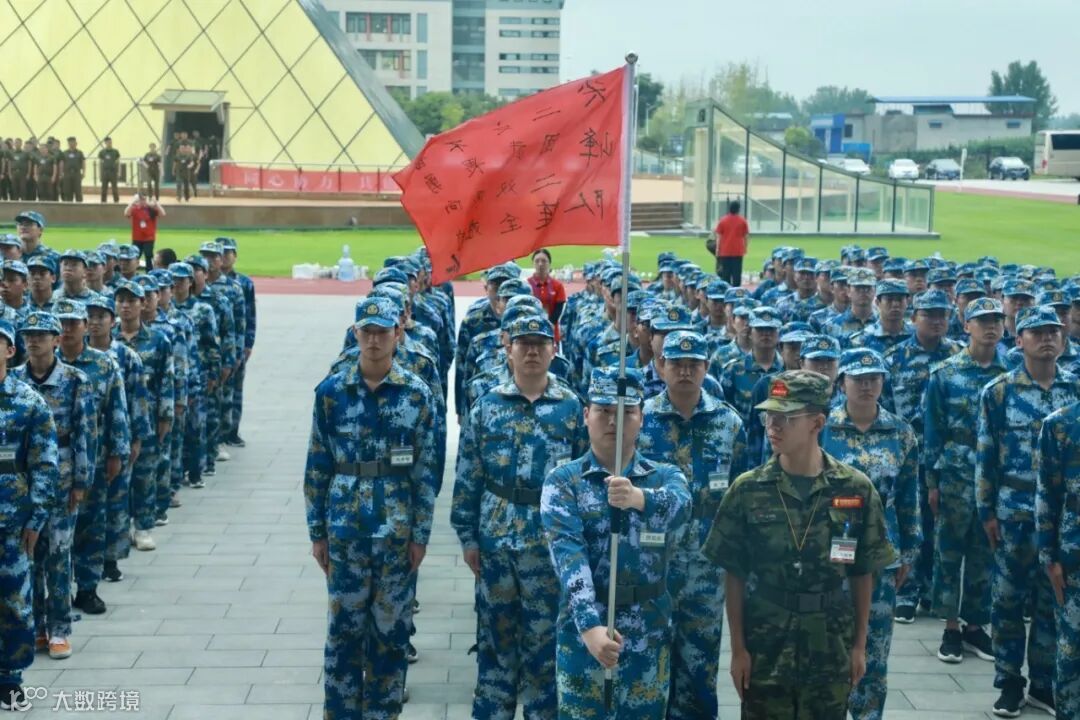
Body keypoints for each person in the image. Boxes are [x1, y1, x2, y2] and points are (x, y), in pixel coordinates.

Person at [703, 370, 896, 720]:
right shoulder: (748, 489)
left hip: (829, 640)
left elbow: (863, 572)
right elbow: (734, 574)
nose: (773, 426)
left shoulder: (854, 488)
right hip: (767, 639)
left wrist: (859, 646)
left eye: (786, 418)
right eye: (769, 416)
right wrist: (739, 650)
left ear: (817, 423)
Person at [304, 296, 439, 719]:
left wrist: (420, 536)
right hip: (345, 530)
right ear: (356, 334)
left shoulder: (415, 394)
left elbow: (426, 472)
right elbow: (317, 466)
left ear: (397, 334)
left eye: (383, 332)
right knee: (343, 632)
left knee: (391, 632)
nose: (375, 340)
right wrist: (317, 533)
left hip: (396, 532)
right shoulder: (332, 393)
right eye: (367, 332)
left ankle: (383, 712)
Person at [452, 314, 585, 720]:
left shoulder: (571, 408)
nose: (531, 352)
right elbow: (468, 475)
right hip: (496, 541)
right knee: (495, 643)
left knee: (545, 647)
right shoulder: (487, 406)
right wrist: (468, 538)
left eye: (540, 344)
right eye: (523, 344)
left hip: (549, 546)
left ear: (552, 350)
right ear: (508, 350)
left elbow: (584, 480)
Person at [541, 366, 691, 718]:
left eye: (626, 412)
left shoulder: (664, 476)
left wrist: (640, 498)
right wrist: (590, 627)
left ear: (641, 418)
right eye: (604, 410)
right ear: (586, 416)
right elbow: (568, 557)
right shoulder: (563, 482)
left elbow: (683, 508)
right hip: (586, 633)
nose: (613, 421)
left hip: (648, 633)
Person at [976, 305, 1080, 717]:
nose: (1047, 338)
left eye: (1053, 331)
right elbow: (986, 454)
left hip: (1060, 517)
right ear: (1019, 340)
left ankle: (1042, 681)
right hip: (1014, 512)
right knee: (1007, 599)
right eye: (1037, 332)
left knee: (1052, 600)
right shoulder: (999, 392)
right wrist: (986, 510)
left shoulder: (1075, 390)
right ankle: (1008, 681)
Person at [638, 331, 747, 720]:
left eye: (693, 365)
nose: (685, 372)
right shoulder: (640, 419)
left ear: (706, 368)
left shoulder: (728, 423)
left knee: (700, 667)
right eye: (677, 364)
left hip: (706, 567)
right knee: (648, 666)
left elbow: (740, 496)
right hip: (652, 563)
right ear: (661, 366)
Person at [821, 350, 921, 720]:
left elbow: (909, 497)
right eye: (858, 379)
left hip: (881, 551)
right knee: (829, 644)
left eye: (874, 378)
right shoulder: (822, 426)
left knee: (874, 648)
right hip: (828, 551)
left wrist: (909, 551)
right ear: (841, 383)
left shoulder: (900, 432)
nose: (866, 385)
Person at [924, 296, 1007, 665]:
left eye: (997, 321)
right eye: (983, 321)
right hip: (956, 473)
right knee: (949, 551)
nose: (991, 327)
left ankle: (975, 624)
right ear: (967, 325)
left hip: (996, 475)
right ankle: (950, 626)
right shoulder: (945, 374)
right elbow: (933, 431)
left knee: (985, 550)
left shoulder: (1010, 370)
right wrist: (932, 482)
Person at [12, 311, 93, 661]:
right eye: (28, 335)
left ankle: (60, 628)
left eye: (41, 335)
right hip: (22, 481)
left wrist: (81, 482)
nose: (34, 341)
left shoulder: (75, 380)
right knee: (27, 555)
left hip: (61, 478)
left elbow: (85, 433)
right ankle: (36, 627)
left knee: (58, 555)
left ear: (56, 340)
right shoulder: (13, 379)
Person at [0, 318, 59, 712]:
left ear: (9, 351)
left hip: (11, 523)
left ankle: (9, 678)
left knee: (12, 602)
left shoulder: (28, 402)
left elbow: (45, 465)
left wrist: (36, 519)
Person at [1036, 399, 1080, 719]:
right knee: (1071, 652)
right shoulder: (1060, 424)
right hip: (1074, 557)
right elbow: (1047, 495)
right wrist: (1049, 557)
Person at [220, 237, 255, 446]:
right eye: (220, 253)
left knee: (235, 389)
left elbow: (250, 315)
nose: (224, 257)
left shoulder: (244, 283)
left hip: (238, 342)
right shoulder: (205, 281)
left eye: (228, 252)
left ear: (235, 256)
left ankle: (232, 431)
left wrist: (248, 343)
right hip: (219, 344)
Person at [527, 249, 567, 344]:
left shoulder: (557, 285)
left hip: (551, 330)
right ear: (533, 264)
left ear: (549, 263)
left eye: (544, 261)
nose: (540, 264)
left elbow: (559, 308)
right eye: (537, 261)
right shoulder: (526, 285)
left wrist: (549, 324)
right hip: (530, 331)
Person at [125, 194, 165, 271]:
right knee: (135, 255)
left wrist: (156, 204)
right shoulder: (135, 209)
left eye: (144, 200)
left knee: (149, 255)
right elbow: (126, 213)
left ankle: (150, 271)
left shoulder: (151, 209)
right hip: (137, 237)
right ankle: (132, 270)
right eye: (141, 200)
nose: (143, 202)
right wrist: (132, 203)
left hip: (149, 238)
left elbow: (162, 214)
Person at [714, 200, 749, 286]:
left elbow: (719, 237)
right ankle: (736, 290)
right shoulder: (742, 221)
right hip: (738, 251)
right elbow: (746, 236)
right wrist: (745, 248)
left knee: (726, 273)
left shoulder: (722, 220)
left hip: (725, 251)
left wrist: (718, 249)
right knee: (737, 273)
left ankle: (726, 289)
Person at [60, 137, 84, 203]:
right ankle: (68, 206)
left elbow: (83, 162)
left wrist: (83, 172)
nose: (71, 144)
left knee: (78, 191)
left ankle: (79, 206)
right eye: (70, 143)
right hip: (67, 174)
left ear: (76, 143)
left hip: (76, 174)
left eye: (73, 142)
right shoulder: (64, 153)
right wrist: (61, 173)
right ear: (68, 144)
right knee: (67, 191)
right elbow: (62, 163)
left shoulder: (80, 153)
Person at [98, 137, 120, 203]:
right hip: (105, 172)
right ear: (105, 143)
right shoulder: (102, 152)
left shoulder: (115, 152)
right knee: (104, 189)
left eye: (110, 142)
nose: (110, 143)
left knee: (114, 189)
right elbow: (100, 163)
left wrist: (118, 172)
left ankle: (116, 202)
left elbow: (118, 162)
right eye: (108, 142)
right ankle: (103, 202)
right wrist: (100, 174)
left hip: (113, 172)